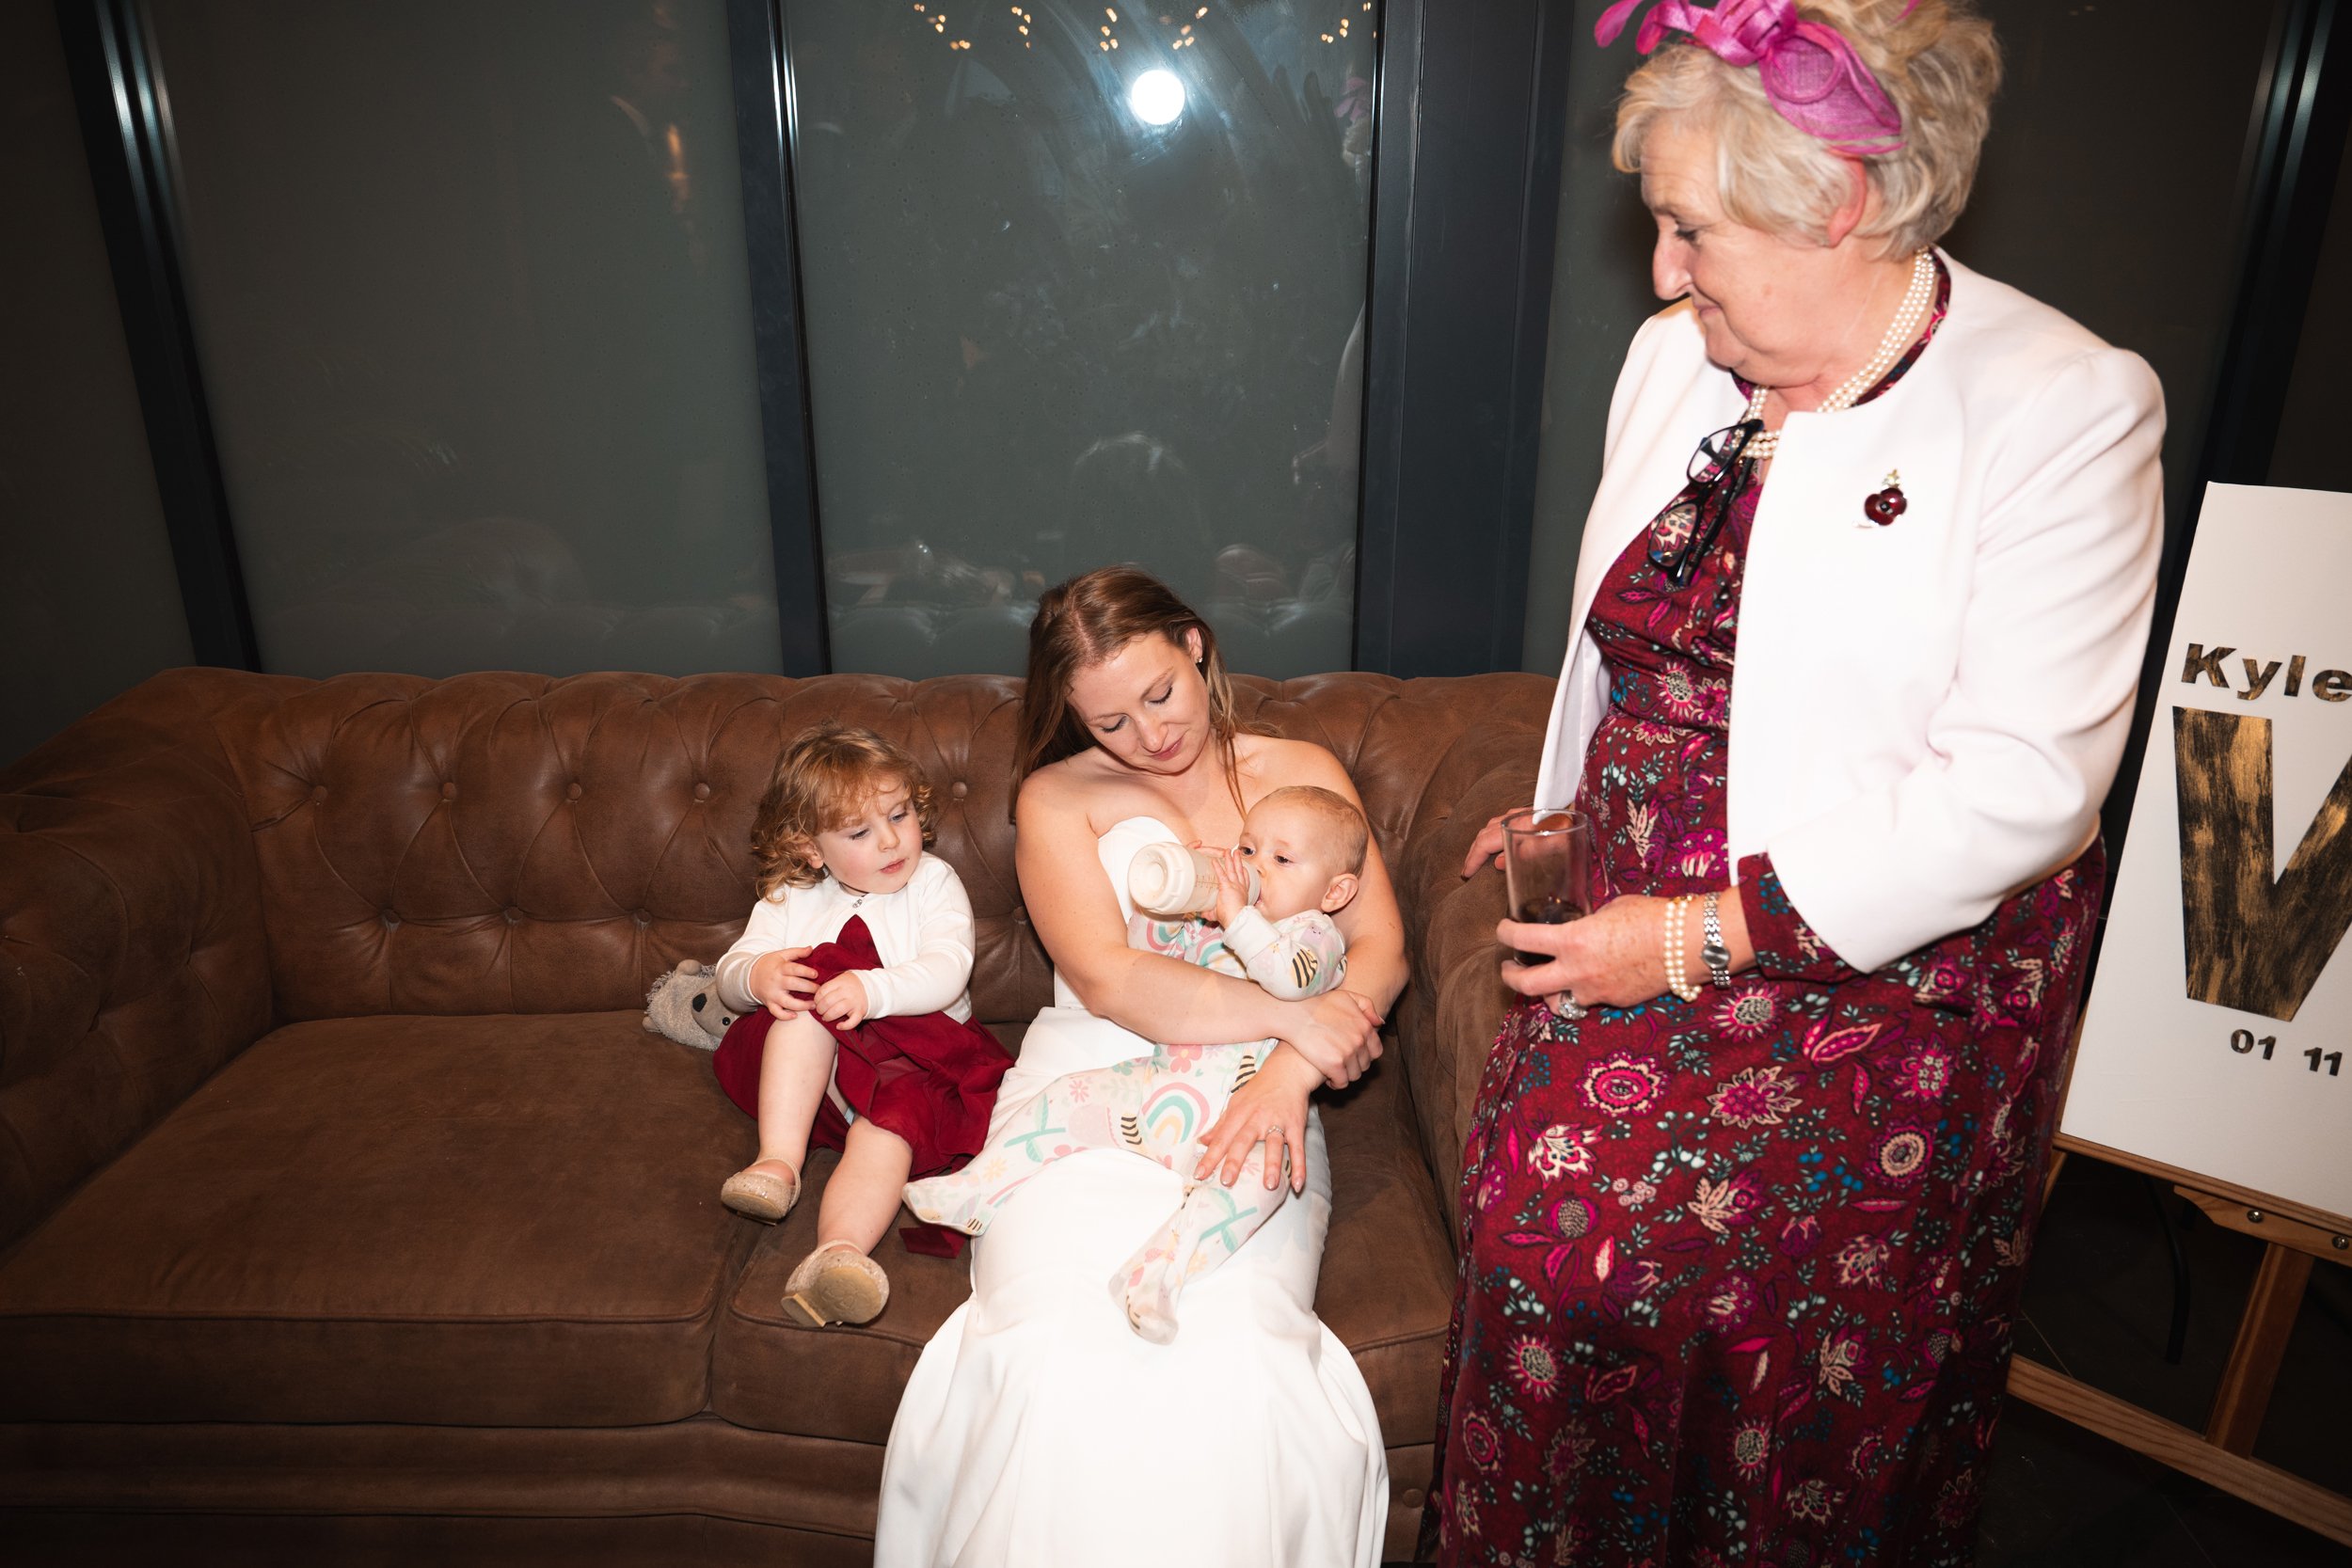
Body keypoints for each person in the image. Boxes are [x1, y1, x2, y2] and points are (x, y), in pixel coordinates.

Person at [1433, 2, 2164, 1562]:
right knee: (1536, 1257)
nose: (1661, 270)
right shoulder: (1674, 361)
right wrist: (1581, 807)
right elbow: (1656, 648)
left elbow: (2027, 786)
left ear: (1835, 206)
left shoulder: (2064, 405)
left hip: (1883, 972)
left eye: (1690, 227)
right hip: (1637, 930)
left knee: (1704, 1318)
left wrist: (1700, 931)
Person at [877, 566, 1401, 1567]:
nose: (1150, 734)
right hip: (1094, 1070)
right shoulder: (1057, 795)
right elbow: (1110, 977)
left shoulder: (1300, 767)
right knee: (1054, 1352)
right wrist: (1306, 1019)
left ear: (1196, 644)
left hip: (1261, 1080)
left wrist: (1292, 1064)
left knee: (1238, 1354)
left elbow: (1380, 944)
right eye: (1111, 720)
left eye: (1160, 694)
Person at [902, 784, 1369, 1343]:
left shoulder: (1315, 935)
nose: (1254, 867)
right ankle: (978, 1188)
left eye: (1281, 858)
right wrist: (1176, 909)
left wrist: (1238, 914)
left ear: (1336, 890)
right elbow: (1147, 953)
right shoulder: (1220, 924)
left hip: (1236, 1119)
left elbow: (1289, 979)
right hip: (1162, 1090)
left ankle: (1158, 1273)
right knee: (1065, 1097)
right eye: (1247, 850)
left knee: (1261, 1186)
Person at [707, 723, 1010, 1329]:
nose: (892, 840)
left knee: (889, 1130)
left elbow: (949, 969)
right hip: (809, 1085)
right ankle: (778, 1165)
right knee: (801, 1005)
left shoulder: (934, 883)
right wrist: (758, 975)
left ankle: (838, 1254)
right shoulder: (789, 896)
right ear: (811, 850)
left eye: (899, 815)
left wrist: (873, 989)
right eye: (860, 832)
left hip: (912, 1063)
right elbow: (731, 969)